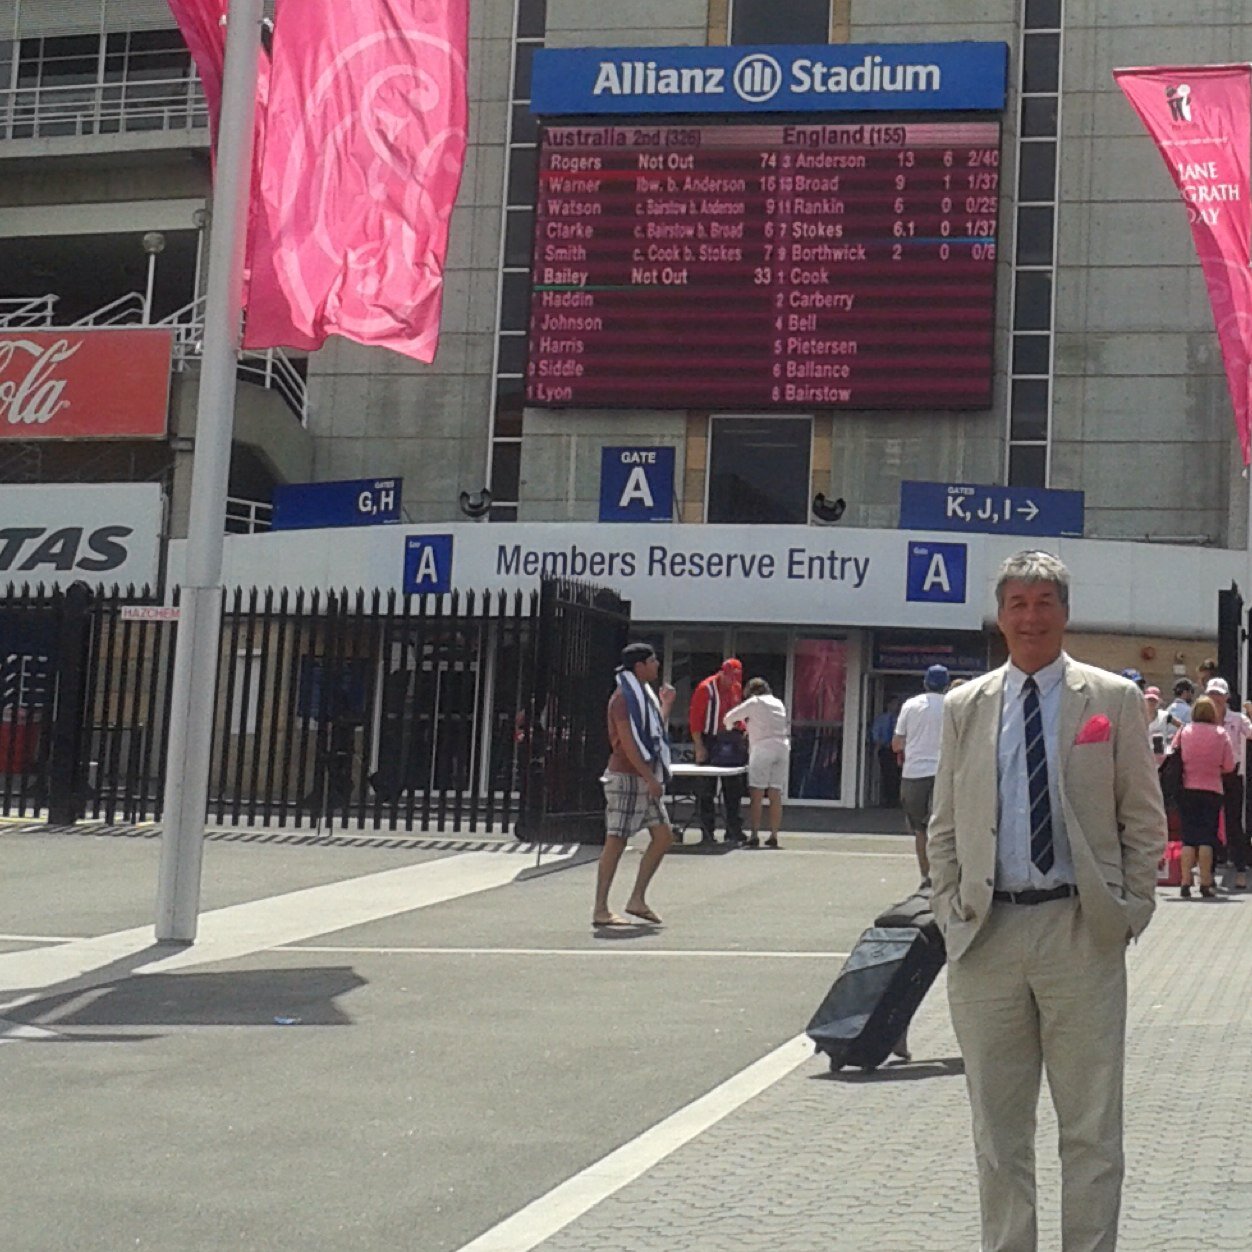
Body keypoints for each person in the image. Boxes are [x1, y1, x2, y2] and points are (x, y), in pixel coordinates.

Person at [928, 550, 1165, 1252]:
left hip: (1079, 930)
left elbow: (1143, 818)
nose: (1031, 617)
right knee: (998, 1133)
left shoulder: (1111, 700)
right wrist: (949, 912)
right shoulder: (966, 706)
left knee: (1091, 1128)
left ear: (1065, 613)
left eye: (1044, 603)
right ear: (1000, 617)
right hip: (986, 935)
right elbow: (944, 824)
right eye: (1017, 604)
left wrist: (1131, 909)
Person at [594, 642, 675, 927]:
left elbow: (652, 735)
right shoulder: (623, 698)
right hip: (627, 777)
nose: (656, 665)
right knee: (616, 840)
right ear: (638, 666)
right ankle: (601, 908)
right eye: (652, 661)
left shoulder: (645, 696)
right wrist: (650, 777)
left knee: (664, 836)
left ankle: (637, 899)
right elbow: (628, 744)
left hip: (644, 777)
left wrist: (665, 706)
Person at [1170, 695, 1234, 898]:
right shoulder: (1221, 734)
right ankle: (1205, 882)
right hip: (1212, 790)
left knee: (1188, 838)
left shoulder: (1184, 731)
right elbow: (1229, 765)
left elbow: (1173, 753)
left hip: (1187, 789)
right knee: (1207, 837)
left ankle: (1185, 881)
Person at [892, 664, 948, 884]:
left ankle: (926, 875)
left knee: (919, 829)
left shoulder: (910, 705)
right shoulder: (953, 705)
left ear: (924, 682)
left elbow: (897, 743)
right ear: (946, 684)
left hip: (914, 773)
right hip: (943, 773)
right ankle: (944, 875)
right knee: (943, 829)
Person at [722, 677, 790, 848]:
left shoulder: (754, 702)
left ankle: (754, 834)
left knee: (757, 793)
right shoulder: (778, 703)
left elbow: (729, 717)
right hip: (782, 747)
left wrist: (731, 728)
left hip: (762, 748)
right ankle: (774, 834)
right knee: (775, 793)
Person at [689, 658, 747, 845]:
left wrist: (743, 731)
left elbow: (738, 714)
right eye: (729, 677)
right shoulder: (706, 689)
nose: (731, 681)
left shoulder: (737, 688)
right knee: (706, 789)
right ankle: (707, 832)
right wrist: (699, 745)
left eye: (735, 678)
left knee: (733, 788)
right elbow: (695, 719)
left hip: (730, 739)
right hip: (709, 739)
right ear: (721, 673)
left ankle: (733, 830)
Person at [1201, 676, 1252, 890]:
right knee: (1209, 822)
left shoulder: (1237, 719)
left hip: (1232, 776)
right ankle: (1209, 871)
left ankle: (1240, 868)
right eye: (1211, 694)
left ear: (1227, 697)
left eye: (1219, 695)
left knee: (1233, 823)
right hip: (1209, 775)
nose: (1215, 699)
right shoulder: (1202, 718)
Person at [870, 696, 902, 805]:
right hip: (885, 749)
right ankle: (888, 799)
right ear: (888, 705)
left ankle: (896, 799)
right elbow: (875, 733)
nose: (896, 707)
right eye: (894, 704)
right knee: (887, 774)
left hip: (897, 750)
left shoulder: (899, 719)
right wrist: (879, 743)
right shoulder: (881, 719)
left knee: (897, 774)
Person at [1144, 686, 1169, 763]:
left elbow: (1181, 727)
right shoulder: (1139, 716)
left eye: (1154, 700)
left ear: (1159, 701)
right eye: (1149, 700)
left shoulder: (1165, 716)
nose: (1151, 703)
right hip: (1144, 758)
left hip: (1160, 760)